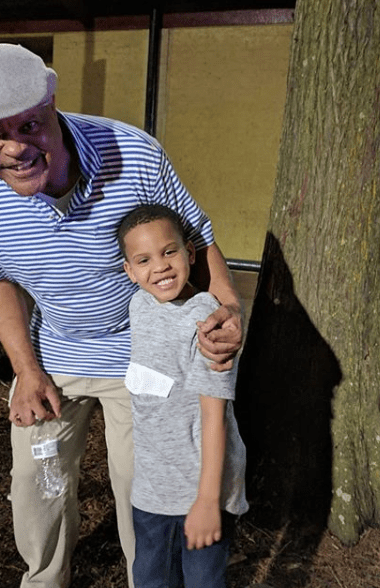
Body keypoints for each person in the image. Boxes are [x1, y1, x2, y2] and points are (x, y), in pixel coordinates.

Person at [0, 42, 243, 588]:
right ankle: (44, 580)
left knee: (145, 486)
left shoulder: (135, 154)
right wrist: (27, 370)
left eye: (29, 126)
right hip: (54, 351)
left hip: (141, 353)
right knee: (37, 486)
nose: (13, 148)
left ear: (51, 103)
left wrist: (227, 308)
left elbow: (198, 240)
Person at [117, 204, 248, 588]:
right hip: (151, 490)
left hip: (201, 491)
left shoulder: (208, 321)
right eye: (143, 260)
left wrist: (207, 502)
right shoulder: (138, 305)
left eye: (169, 252)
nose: (159, 267)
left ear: (190, 253)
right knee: (150, 579)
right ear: (129, 271)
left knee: (203, 581)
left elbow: (214, 417)